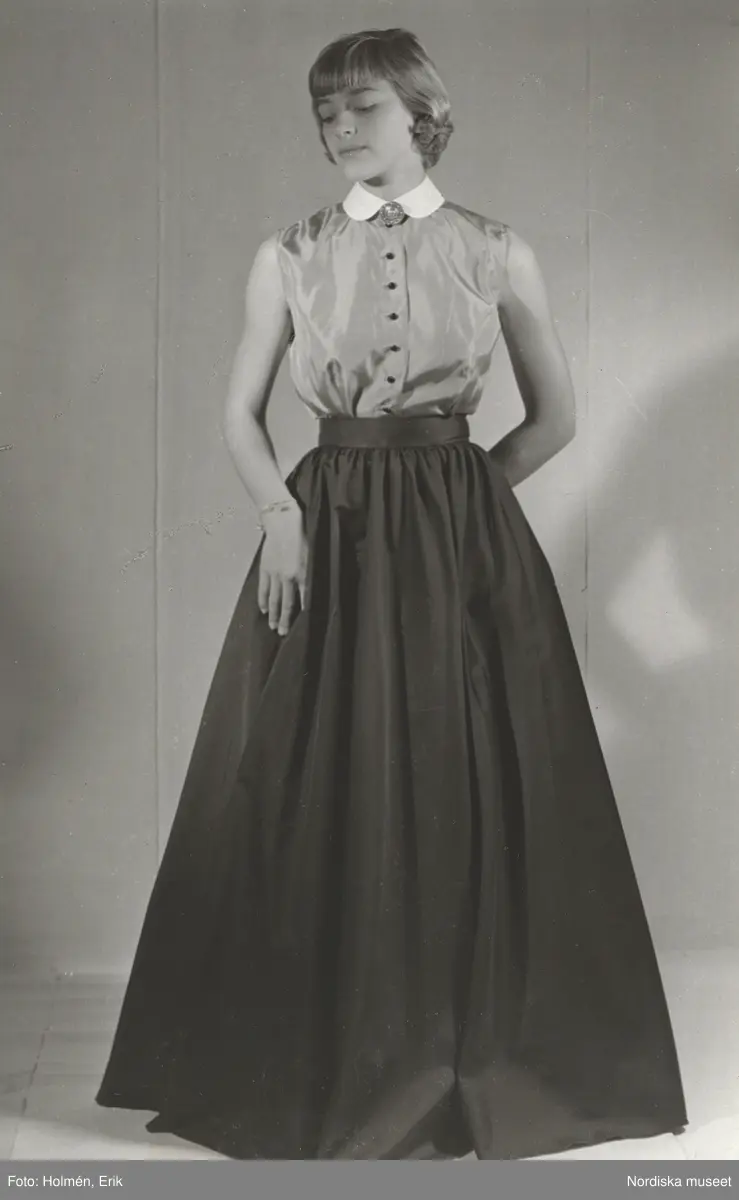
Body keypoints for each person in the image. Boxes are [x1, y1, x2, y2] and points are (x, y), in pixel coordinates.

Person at [95, 27, 688, 1160]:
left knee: (470, 770)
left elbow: (556, 418)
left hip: (461, 534)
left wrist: (470, 506)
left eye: (360, 106)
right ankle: (333, 1048)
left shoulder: (497, 251)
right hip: (327, 528)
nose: (338, 128)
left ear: (422, 112)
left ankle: (473, 1048)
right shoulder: (288, 253)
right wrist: (280, 517)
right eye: (324, 111)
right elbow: (239, 414)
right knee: (319, 769)